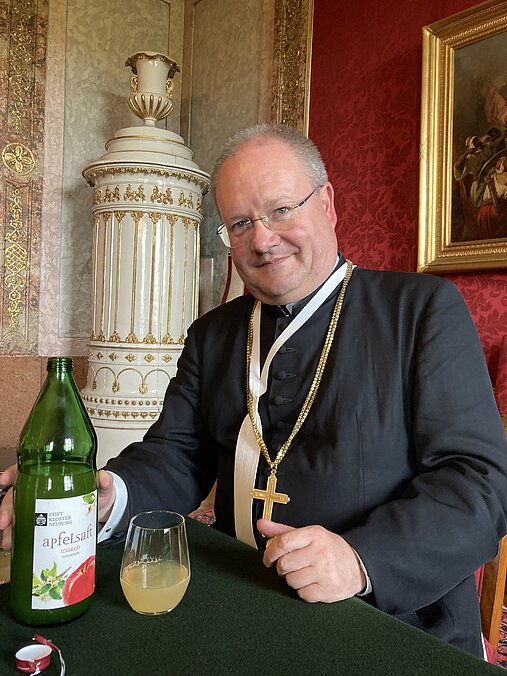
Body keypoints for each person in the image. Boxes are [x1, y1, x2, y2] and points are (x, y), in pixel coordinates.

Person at [2, 124, 507, 659]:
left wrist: (361, 559)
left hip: (386, 615)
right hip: (237, 592)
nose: (262, 240)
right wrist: (110, 494)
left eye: (282, 210)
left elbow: (480, 481)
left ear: (328, 203)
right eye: (240, 223)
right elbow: (177, 454)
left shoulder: (421, 311)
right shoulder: (214, 333)